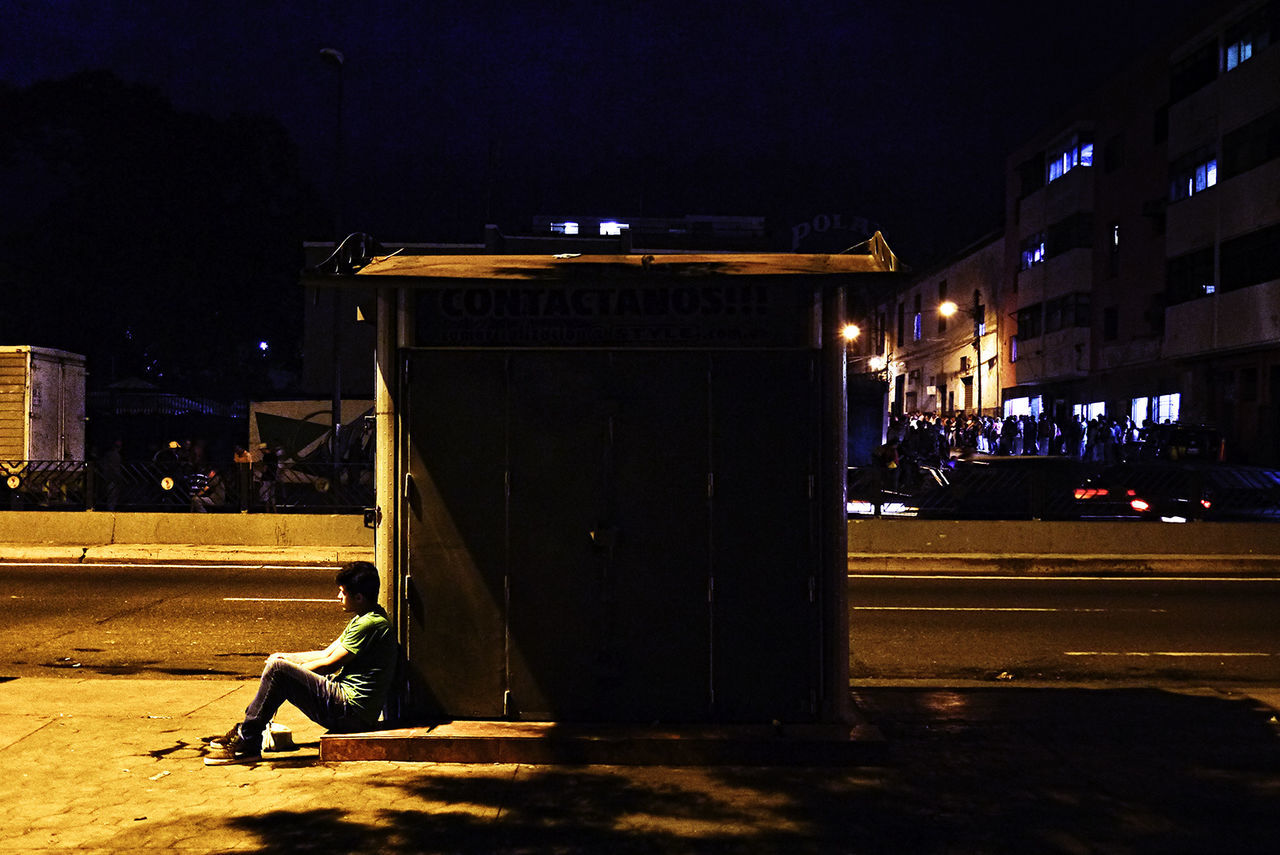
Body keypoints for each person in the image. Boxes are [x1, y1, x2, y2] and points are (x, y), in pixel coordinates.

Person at [204, 561, 398, 766]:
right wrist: (286, 657)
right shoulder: (363, 617)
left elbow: (329, 665)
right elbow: (324, 653)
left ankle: (248, 740)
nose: (338, 597)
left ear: (358, 597)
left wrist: (286, 673)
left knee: (278, 672)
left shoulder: (371, 624)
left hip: (352, 712)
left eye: (342, 592)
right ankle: (247, 731)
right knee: (278, 667)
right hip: (346, 705)